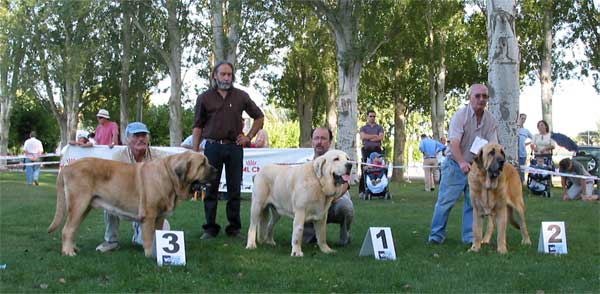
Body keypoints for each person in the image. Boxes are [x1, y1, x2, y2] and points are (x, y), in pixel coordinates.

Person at [192, 61, 264, 240]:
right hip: (212, 147)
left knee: (234, 190)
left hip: (234, 148)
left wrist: (248, 137)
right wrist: (195, 152)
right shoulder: (204, 98)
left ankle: (234, 229)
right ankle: (210, 229)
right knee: (210, 189)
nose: (226, 78)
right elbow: (198, 126)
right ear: (214, 76)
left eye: (229, 74)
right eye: (222, 74)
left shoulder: (241, 96)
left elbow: (259, 117)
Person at [428, 84, 498, 245]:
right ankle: (435, 237)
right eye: (478, 96)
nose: (481, 99)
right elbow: (454, 142)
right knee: (445, 202)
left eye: (485, 96)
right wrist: (461, 163)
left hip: (476, 168)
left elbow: (493, 146)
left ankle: (470, 238)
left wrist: (492, 167)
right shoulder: (460, 116)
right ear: (470, 98)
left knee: (472, 204)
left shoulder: (490, 120)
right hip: (454, 165)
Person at [96, 122, 171, 253]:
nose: (141, 139)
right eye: (136, 136)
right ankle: (111, 240)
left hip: (151, 206)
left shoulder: (161, 157)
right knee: (107, 197)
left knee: (162, 235)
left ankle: (139, 232)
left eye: (143, 135)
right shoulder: (118, 157)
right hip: (125, 201)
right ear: (127, 140)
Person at [303, 127, 354, 246]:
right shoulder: (306, 165)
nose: (319, 142)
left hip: (335, 202)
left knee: (346, 207)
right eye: (316, 138)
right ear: (312, 141)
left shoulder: (341, 160)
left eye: (323, 138)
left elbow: (346, 184)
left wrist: (330, 199)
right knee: (301, 204)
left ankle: (344, 237)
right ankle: (310, 237)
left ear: (330, 142)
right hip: (312, 205)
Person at [359, 110, 384, 199]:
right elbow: (363, 136)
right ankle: (362, 190)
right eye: (371, 116)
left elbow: (381, 137)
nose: (372, 118)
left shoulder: (379, 127)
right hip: (366, 151)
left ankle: (380, 191)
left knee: (379, 170)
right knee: (364, 170)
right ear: (367, 117)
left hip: (377, 151)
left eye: (374, 116)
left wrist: (369, 137)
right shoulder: (363, 128)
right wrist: (374, 136)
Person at [517, 113, 533, 182]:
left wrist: (525, 144)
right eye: (522, 118)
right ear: (519, 118)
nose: (523, 120)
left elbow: (534, 138)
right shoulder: (514, 128)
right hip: (514, 154)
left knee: (522, 171)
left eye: (524, 119)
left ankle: (522, 185)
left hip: (522, 154)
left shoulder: (526, 131)